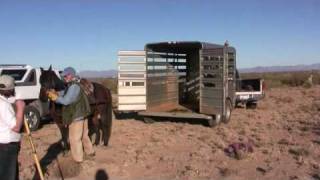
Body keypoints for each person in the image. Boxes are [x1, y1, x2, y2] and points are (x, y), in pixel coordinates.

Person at [47, 67, 95, 163]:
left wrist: (55, 98)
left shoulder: (73, 86)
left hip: (76, 117)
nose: (64, 77)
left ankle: (78, 160)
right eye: (63, 76)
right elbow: (67, 93)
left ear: (71, 75)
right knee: (84, 135)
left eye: (65, 75)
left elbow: (66, 101)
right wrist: (57, 92)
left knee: (74, 139)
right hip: (83, 114)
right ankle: (90, 152)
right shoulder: (75, 84)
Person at [0, 75, 25, 180]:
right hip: (6, 147)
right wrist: (20, 108)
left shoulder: (3, 102)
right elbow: (16, 127)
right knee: (8, 176)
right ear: (9, 89)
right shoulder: (3, 105)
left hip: (3, 145)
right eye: (13, 88)